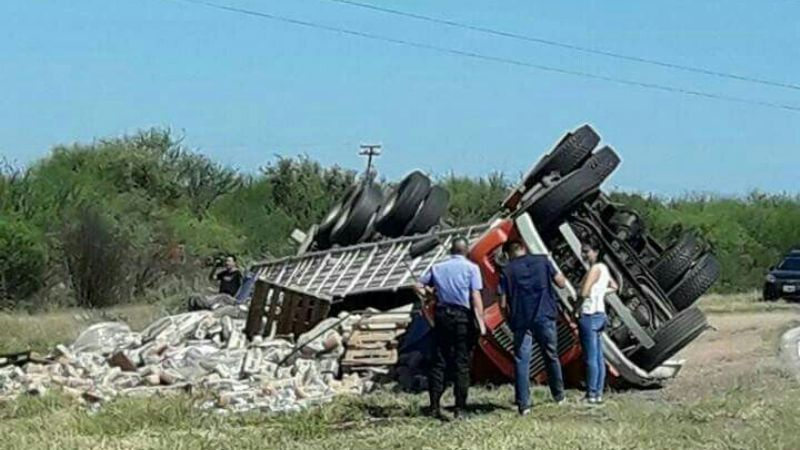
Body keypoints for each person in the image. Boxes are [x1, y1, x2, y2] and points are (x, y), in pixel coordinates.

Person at [416, 236, 486, 420]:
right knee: (461, 363)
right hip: (462, 317)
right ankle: (460, 409)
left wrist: (428, 295)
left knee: (438, 362)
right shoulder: (472, 268)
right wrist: (481, 321)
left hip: (441, 316)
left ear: (451, 250)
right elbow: (475, 295)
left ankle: (434, 406)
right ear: (466, 251)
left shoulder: (437, 267)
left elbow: (417, 285)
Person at [498, 240, 568, 415]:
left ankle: (524, 405)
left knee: (522, 361)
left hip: (521, 320)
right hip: (545, 315)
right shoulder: (543, 261)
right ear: (524, 248)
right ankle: (559, 396)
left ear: (508, 254)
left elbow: (502, 302)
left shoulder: (506, 271)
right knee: (551, 355)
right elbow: (561, 283)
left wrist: (508, 318)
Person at [577, 239, 618, 405]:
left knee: (591, 357)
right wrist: (601, 292)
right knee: (599, 356)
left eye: (587, 251)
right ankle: (598, 393)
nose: (584, 255)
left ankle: (591, 393)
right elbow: (614, 286)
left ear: (595, 252)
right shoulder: (604, 269)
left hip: (589, 313)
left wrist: (575, 308)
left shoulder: (594, 269)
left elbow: (584, 292)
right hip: (601, 314)